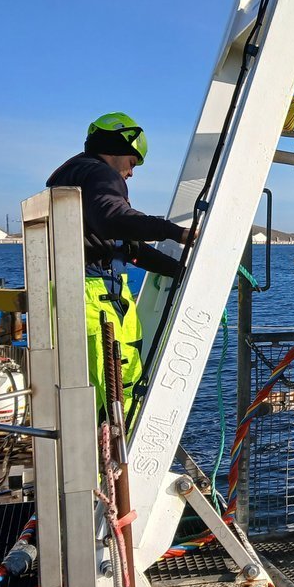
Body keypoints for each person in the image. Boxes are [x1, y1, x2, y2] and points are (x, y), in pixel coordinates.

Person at [46, 112, 194, 419]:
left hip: (78, 295)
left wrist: (181, 271)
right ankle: (108, 466)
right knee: (115, 392)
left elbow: (129, 249)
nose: (131, 172)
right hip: (94, 300)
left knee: (92, 393)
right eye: (132, 161)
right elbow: (114, 220)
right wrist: (174, 231)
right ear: (115, 148)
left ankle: (100, 461)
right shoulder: (100, 175)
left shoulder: (72, 179)